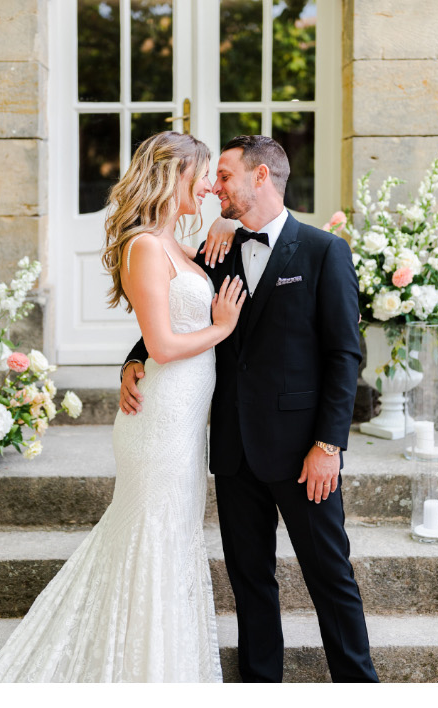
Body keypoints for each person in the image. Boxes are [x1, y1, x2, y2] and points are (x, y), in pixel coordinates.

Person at [0, 132, 246, 682]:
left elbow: (182, 309)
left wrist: (226, 222)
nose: (210, 186)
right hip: (159, 423)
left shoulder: (176, 245)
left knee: (170, 540)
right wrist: (221, 328)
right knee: (151, 538)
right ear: (173, 175)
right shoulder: (145, 245)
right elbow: (165, 344)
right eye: (203, 173)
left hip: (184, 423)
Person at [119, 135, 377, 682]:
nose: (214, 185)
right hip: (234, 451)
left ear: (262, 177)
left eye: (227, 175)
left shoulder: (323, 251)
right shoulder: (218, 250)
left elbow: (344, 354)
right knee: (250, 581)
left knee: (330, 576)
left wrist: (328, 445)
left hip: (304, 453)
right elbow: (176, 312)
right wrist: (135, 358)